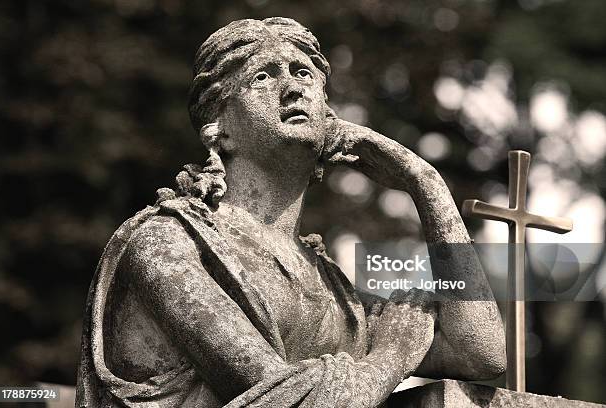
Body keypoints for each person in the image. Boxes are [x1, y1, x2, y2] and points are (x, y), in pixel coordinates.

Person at [76, 17, 505, 408]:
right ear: (217, 128)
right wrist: (390, 357)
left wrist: (424, 182)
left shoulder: (330, 283)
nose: (291, 87)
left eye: (302, 73)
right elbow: (292, 400)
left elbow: (482, 353)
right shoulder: (168, 244)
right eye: (262, 77)